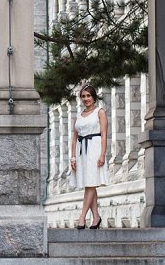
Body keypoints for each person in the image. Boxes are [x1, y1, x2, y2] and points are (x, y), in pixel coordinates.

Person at [70, 83, 109, 230]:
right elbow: (74, 138)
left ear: (94, 97)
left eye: (88, 96)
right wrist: (73, 157)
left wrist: (102, 154)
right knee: (89, 183)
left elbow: (104, 135)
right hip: (81, 151)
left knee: (91, 184)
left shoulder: (100, 112)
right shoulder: (78, 116)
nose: (86, 99)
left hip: (94, 148)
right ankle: (96, 217)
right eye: (83, 96)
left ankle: (82, 216)